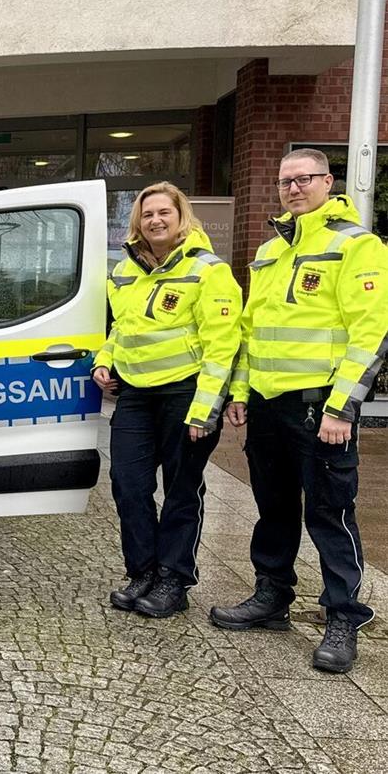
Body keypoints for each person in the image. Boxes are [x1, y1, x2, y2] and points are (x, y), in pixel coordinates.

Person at [210, 148, 388, 674]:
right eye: (285, 181)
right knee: (275, 507)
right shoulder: (268, 251)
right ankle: (272, 596)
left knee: (330, 511)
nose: (293, 188)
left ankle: (343, 614)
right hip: (267, 406)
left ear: (328, 182)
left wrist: (343, 408)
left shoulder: (356, 245)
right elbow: (249, 332)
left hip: (320, 409)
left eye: (304, 179)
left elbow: (371, 331)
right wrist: (240, 393)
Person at [93, 182, 241, 618]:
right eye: (147, 214)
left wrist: (206, 409)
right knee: (129, 485)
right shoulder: (125, 271)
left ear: (182, 218)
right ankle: (142, 571)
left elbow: (222, 345)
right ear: (138, 221)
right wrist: (106, 360)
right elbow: (122, 328)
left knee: (180, 491)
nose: (155, 220)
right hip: (136, 394)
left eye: (164, 213)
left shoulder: (209, 270)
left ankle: (173, 580)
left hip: (186, 394)